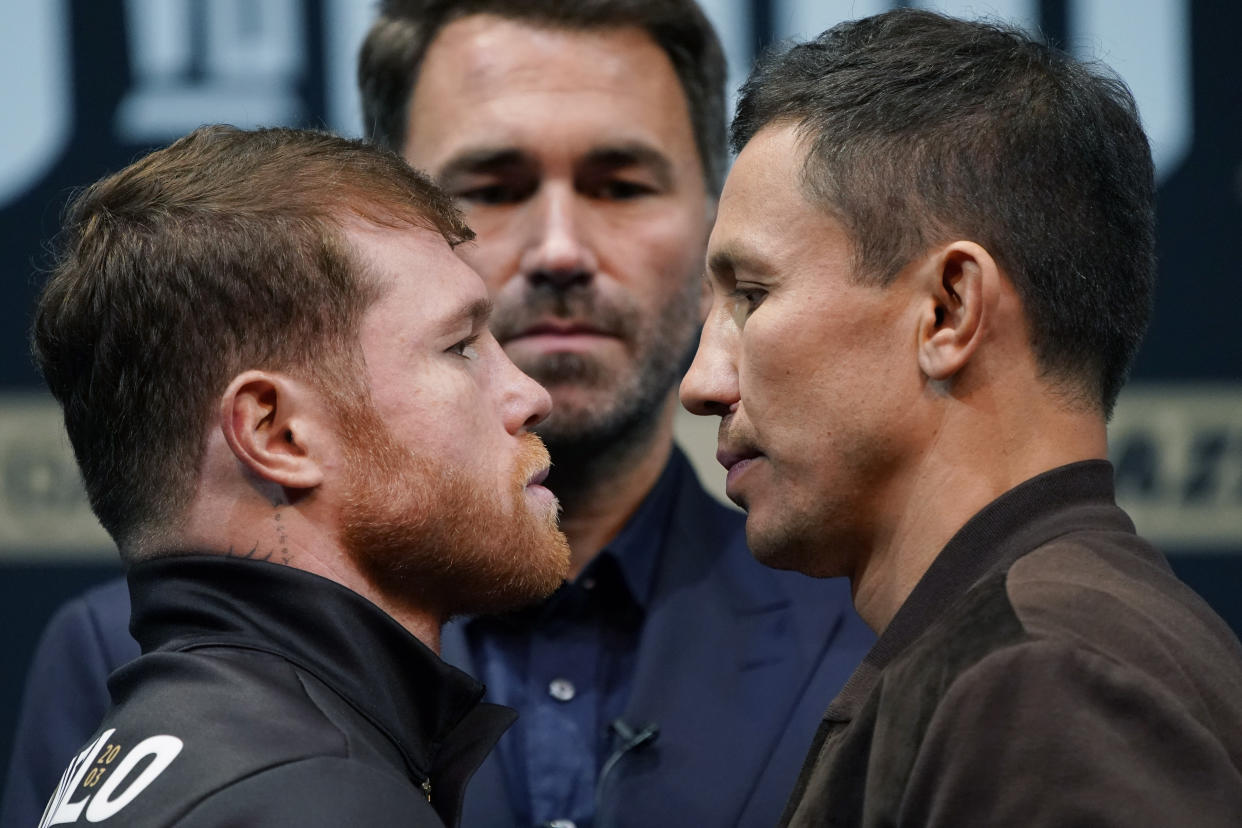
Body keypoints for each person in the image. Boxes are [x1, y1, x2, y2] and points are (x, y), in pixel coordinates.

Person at [2, 2, 874, 827]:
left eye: (620, 185)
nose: (561, 249)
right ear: (382, 204)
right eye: (490, 188)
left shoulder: (871, 627)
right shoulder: (110, 655)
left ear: (712, 223)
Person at [679, 8, 1242, 826]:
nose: (702, 382)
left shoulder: (1046, 682)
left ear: (948, 310)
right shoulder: (1043, 650)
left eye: (753, 296)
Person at [24, 124, 571, 827]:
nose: (530, 395)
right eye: (461, 345)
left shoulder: (166, 756)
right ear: (276, 432)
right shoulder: (316, 797)